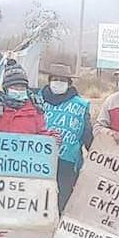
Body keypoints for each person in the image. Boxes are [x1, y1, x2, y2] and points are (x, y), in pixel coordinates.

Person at [38, 62, 93, 213]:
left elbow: (87, 133)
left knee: (63, 200)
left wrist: (96, 157)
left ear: (69, 83)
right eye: (55, 79)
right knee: (38, 198)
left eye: (63, 80)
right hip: (38, 159)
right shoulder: (36, 100)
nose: (58, 83)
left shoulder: (81, 105)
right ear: (49, 80)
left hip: (67, 162)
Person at [0, 59, 56, 143]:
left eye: (22, 87)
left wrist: (52, 139)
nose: (19, 90)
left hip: (24, 158)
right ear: (5, 89)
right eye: (14, 87)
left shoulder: (35, 110)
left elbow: (41, 136)